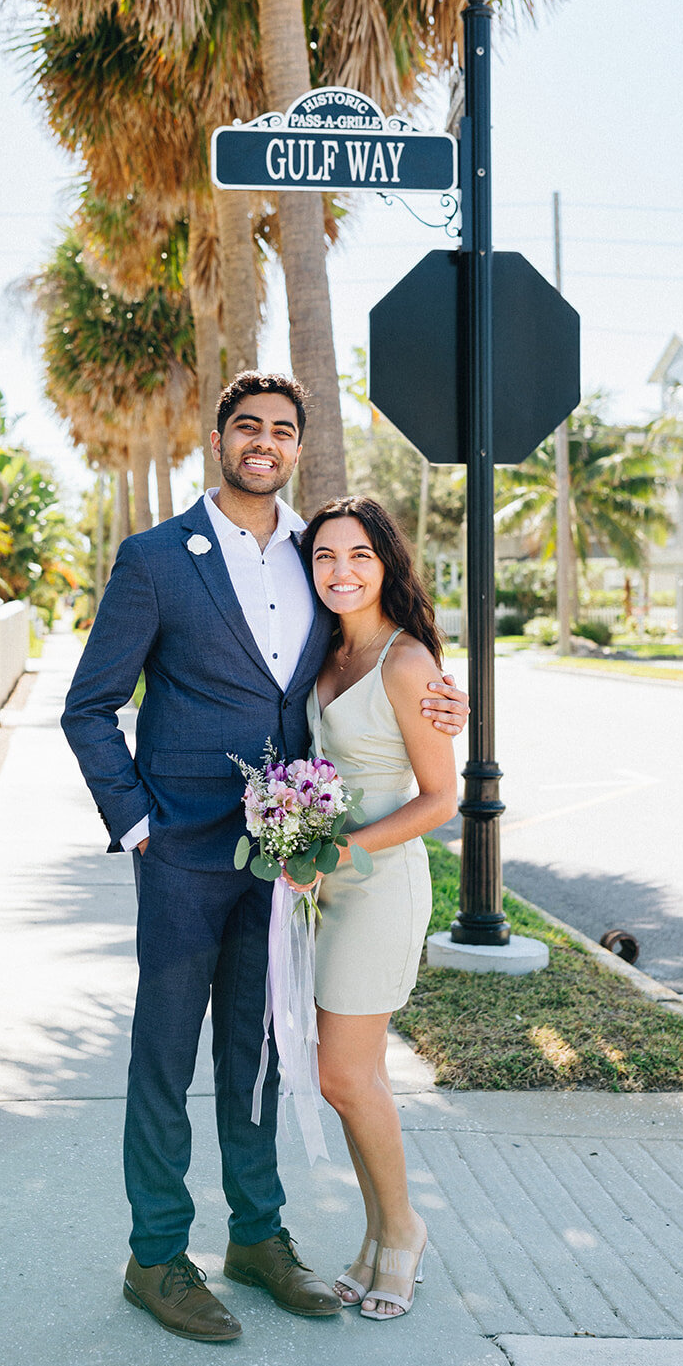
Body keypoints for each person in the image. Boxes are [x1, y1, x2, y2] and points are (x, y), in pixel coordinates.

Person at [61, 372, 467, 1345]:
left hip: (283, 863)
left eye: (282, 431)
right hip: (179, 856)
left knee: (257, 1055)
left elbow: (366, 669)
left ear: (297, 448)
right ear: (219, 438)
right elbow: (87, 706)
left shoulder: (311, 557)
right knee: (164, 1056)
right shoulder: (156, 558)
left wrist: (446, 704)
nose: (264, 442)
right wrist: (139, 826)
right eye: (248, 426)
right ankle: (156, 1254)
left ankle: (258, 1235)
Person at [295, 496, 458, 1321]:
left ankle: (403, 1232)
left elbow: (440, 798)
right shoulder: (318, 650)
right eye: (324, 556)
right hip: (317, 889)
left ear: (386, 562)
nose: (341, 572)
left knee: (344, 1074)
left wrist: (338, 853)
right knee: (349, 1079)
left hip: (377, 886)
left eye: (358, 555)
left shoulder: (405, 663)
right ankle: (375, 1236)